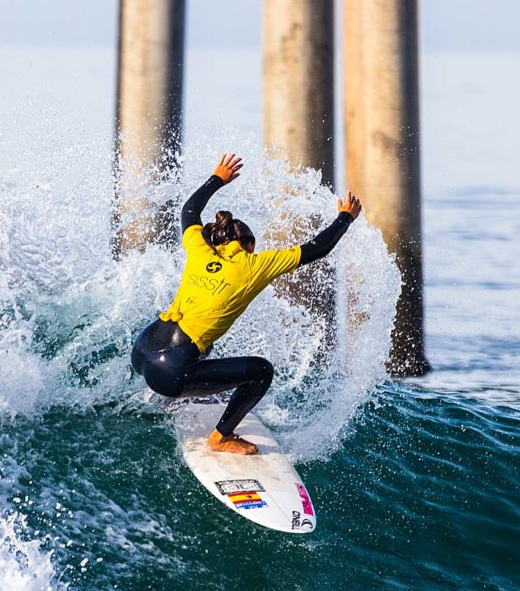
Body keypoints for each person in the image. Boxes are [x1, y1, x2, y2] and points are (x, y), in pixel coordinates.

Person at [131, 153, 363, 455]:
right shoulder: (255, 264)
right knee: (261, 371)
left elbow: (189, 210)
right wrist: (346, 216)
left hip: (142, 350)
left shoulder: (200, 249)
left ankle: (168, 393)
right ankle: (221, 437)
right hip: (171, 373)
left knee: (201, 340)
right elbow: (317, 248)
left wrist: (218, 178)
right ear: (250, 245)